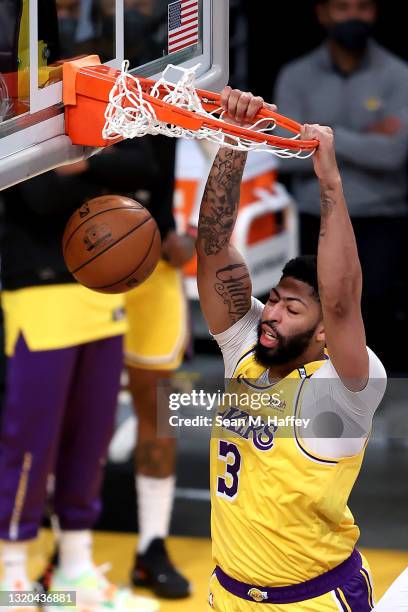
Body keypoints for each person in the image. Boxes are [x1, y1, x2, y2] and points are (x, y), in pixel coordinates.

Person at [196, 88, 387, 610]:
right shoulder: (247, 348)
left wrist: (329, 181)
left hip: (313, 600)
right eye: (274, 300)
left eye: (293, 309)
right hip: (228, 593)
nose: (272, 313)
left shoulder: (344, 389)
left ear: (325, 332)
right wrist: (234, 140)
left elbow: (344, 301)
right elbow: (212, 249)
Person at [0, 154, 159, 611]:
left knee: (91, 440)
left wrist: (83, 168)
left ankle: (74, 577)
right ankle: (12, 579)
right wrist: (101, 169)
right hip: (38, 293)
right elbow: (41, 195)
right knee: (31, 442)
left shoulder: (104, 104)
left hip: (101, 294)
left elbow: (145, 169)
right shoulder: (21, 103)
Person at [274, 0, 408, 369]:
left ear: (376, 13)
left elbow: (393, 155)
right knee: (315, 310)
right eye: (343, 8)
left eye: (363, 8)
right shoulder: (295, 75)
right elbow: (286, 153)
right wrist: (366, 137)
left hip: (381, 214)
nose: (353, 17)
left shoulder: (399, 75)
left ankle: (371, 410)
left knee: (375, 311)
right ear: (322, 13)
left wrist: (321, 137)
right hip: (313, 216)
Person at [124, 136, 193, 599]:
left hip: (154, 264)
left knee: (157, 414)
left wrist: (190, 232)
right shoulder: (64, 74)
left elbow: (213, 149)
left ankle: (152, 545)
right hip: (79, 267)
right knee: (66, 415)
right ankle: (67, 548)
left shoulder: (163, 75)